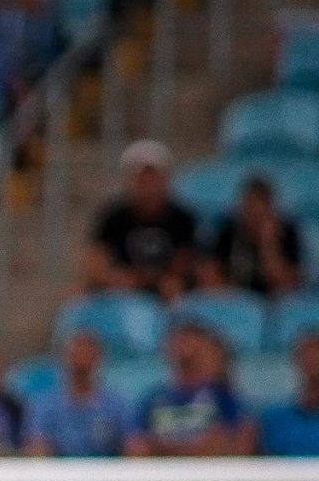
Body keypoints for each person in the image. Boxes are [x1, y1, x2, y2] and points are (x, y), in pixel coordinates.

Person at [85, 140, 199, 299]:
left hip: (165, 292)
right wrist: (114, 279)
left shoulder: (182, 218)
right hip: (120, 290)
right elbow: (96, 262)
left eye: (154, 179)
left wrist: (149, 280)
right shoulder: (113, 217)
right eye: (142, 180)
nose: (149, 187)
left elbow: (183, 265)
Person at [128, 316, 254, 456]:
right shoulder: (152, 399)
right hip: (163, 476)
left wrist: (164, 448)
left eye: (188, 339)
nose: (182, 346)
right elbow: (136, 448)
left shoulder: (225, 397)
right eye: (176, 340)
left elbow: (235, 444)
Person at [27, 325, 129, 458]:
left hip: (106, 476)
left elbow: (133, 446)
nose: (81, 357)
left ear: (98, 357)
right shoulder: (45, 406)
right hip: (59, 475)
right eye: (76, 351)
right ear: (63, 357)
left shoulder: (117, 406)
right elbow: (36, 447)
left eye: (87, 351)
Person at [207, 174, 304, 297]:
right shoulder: (228, 231)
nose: (252, 211)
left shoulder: (287, 231)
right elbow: (212, 275)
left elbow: (286, 283)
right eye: (248, 203)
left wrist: (268, 244)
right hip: (235, 298)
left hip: (274, 301)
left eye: (258, 204)